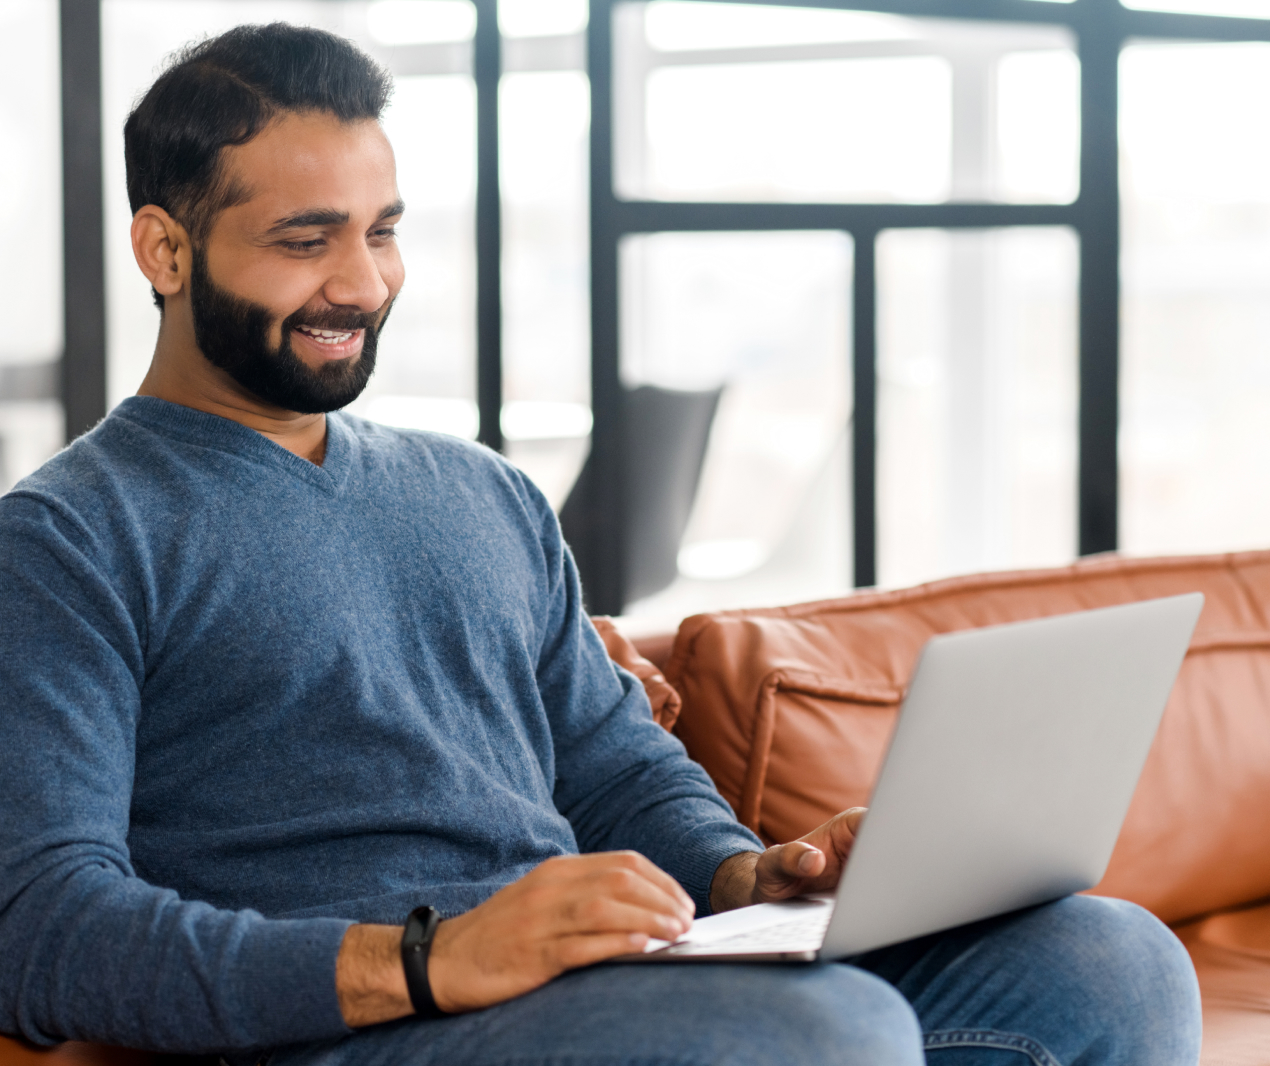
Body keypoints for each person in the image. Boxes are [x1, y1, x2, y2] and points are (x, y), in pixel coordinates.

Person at [0, 23, 1201, 1066]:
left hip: (594, 988)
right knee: (821, 1037)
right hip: (357, 1027)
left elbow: (614, 771)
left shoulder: (482, 493)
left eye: (384, 231)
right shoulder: (67, 541)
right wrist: (433, 958)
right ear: (164, 250)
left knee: (1108, 958)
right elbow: (44, 927)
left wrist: (746, 879)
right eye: (306, 241)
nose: (362, 283)